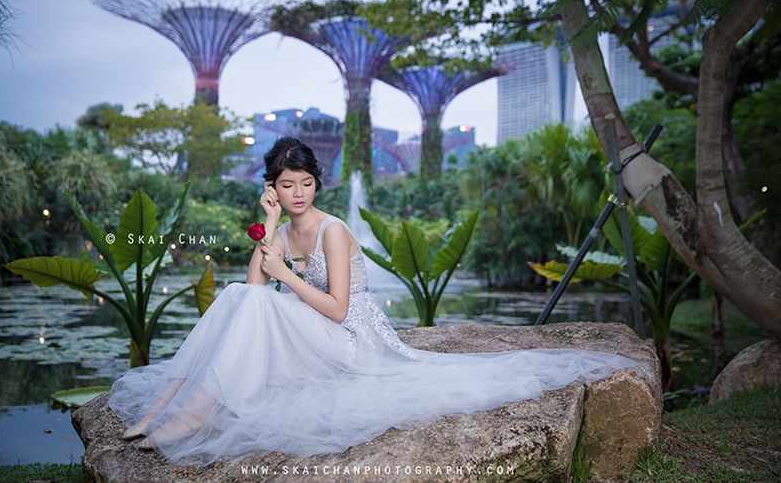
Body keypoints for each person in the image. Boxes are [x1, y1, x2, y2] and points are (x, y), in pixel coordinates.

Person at [108, 137, 637, 466]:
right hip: (315, 328)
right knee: (232, 296)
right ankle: (164, 409)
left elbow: (338, 308)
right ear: (272, 187)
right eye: (286, 186)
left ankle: (189, 414)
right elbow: (253, 291)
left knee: (248, 300)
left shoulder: (332, 230)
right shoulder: (282, 225)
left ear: (317, 184)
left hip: (351, 339)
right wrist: (267, 226)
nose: (298, 194)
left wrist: (284, 278)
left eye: (306, 183)